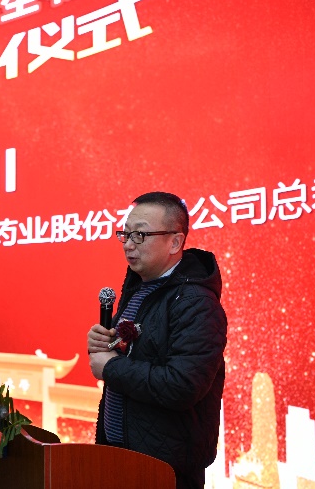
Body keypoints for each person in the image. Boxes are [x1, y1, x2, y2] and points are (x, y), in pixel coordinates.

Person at [87, 192, 227, 489]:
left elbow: (183, 385)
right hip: (119, 458)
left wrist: (110, 367)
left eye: (140, 235)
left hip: (164, 469)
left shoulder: (196, 303)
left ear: (175, 242)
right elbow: (135, 355)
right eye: (125, 234)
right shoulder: (140, 290)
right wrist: (105, 343)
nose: (128, 244)